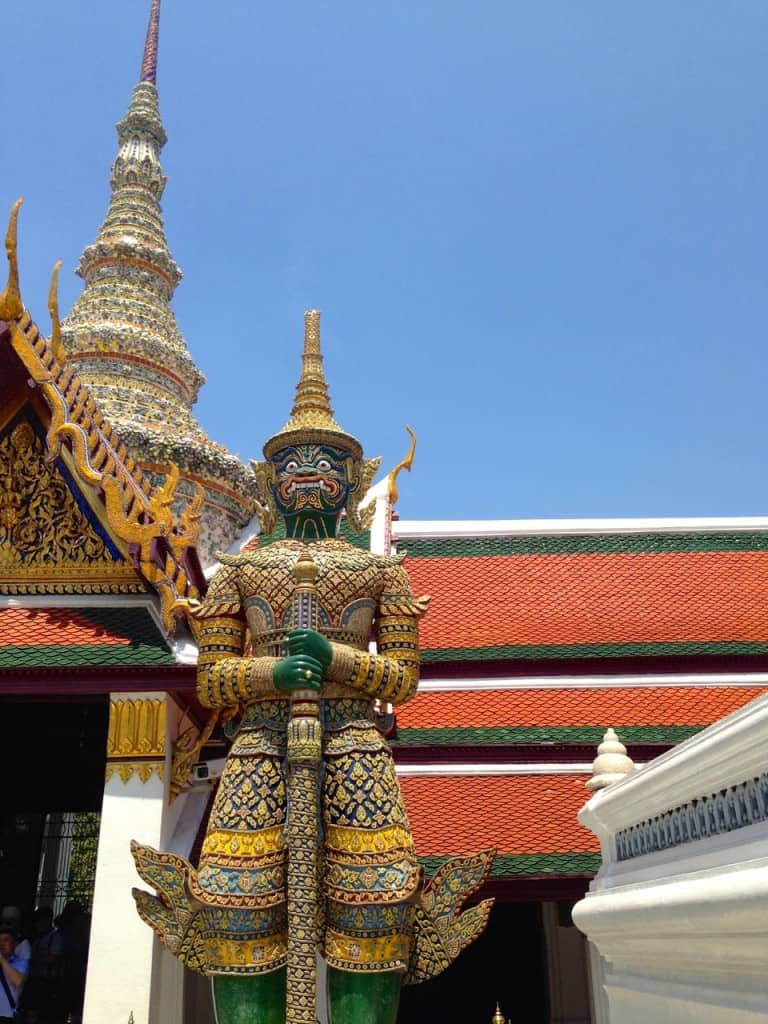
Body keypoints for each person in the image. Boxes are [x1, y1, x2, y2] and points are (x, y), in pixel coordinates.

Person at [134, 311, 428, 1024]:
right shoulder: (239, 572)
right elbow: (213, 680)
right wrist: (273, 678)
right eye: (293, 464)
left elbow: (404, 680)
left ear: (351, 478)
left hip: (355, 745)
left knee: (374, 912)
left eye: (325, 465)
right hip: (262, 745)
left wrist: (334, 659)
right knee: (238, 914)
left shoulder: (378, 574)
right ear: (270, 478)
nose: (308, 476)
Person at [21, 907, 62, 1024]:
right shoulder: (38, 939)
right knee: (29, 1011)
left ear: (47, 920)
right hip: (33, 980)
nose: (37, 924)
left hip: (45, 982)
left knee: (39, 1013)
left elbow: (53, 959)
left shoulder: (55, 937)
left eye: (40, 920)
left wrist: (32, 959)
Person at [0, 925, 29, 1021]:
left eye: (6, 940)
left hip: (7, 1017)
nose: (1, 944)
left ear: (15, 944)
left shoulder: (20, 962)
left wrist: (1, 959)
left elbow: (18, 981)